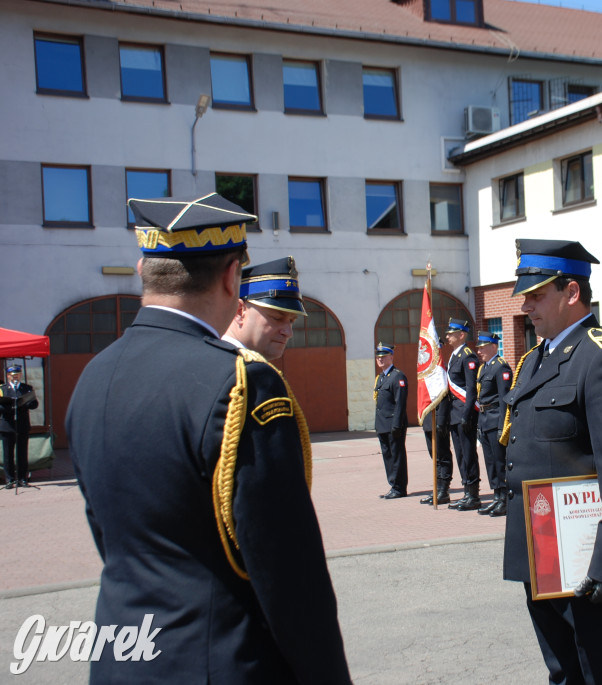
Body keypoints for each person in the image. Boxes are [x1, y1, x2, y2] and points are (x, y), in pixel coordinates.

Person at [66, 192, 351, 681]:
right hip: (218, 660)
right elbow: (286, 571)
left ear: (143, 268)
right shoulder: (242, 382)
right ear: (230, 278)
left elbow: (108, 532)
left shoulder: (94, 375)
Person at [501, 239, 602, 684]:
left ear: (571, 292)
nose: (526, 306)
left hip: (589, 560)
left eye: (536, 295)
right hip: (544, 551)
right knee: (563, 672)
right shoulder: (537, 359)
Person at [222, 256, 305, 360]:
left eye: (292, 321)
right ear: (239, 311)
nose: (288, 333)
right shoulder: (241, 370)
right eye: (277, 318)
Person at [445, 318, 482, 510]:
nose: (447, 336)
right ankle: (466, 489)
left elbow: (471, 389)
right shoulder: (454, 356)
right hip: (454, 413)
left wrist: (467, 414)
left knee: (468, 453)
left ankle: (473, 494)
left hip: (464, 413)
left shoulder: (468, 356)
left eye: (451, 333)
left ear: (461, 335)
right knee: (460, 453)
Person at [475, 332, 512, 516]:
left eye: (482, 347)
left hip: (496, 417)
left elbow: (505, 399)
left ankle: (504, 499)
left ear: (493, 347)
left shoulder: (501, 367)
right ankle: (496, 496)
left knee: (500, 461)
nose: (479, 350)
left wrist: (502, 426)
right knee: (490, 462)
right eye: (478, 347)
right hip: (484, 420)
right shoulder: (483, 369)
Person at [374, 342, 409, 499]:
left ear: (391, 357)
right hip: (382, 425)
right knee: (388, 456)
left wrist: (397, 425)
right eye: (378, 357)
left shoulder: (397, 376)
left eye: (384, 356)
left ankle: (400, 487)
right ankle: (393, 484)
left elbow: (400, 403)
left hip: (393, 424)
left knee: (397, 455)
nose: (380, 359)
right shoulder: (381, 378)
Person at [1, 364, 39, 488]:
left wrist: (25, 404)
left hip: (22, 425)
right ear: (7, 376)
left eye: (17, 375)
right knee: (8, 454)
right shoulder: (2, 389)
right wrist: (9, 406)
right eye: (12, 375)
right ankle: (10, 479)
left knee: (22, 453)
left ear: (21, 375)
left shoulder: (26, 388)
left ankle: (23, 478)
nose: (15, 377)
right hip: (7, 425)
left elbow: (34, 404)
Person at [420, 393, 454, 505]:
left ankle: (443, 490)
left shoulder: (439, 375)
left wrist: (442, 419)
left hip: (439, 419)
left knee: (442, 456)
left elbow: (444, 396)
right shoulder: (426, 375)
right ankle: (437, 489)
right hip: (428, 419)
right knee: (435, 457)